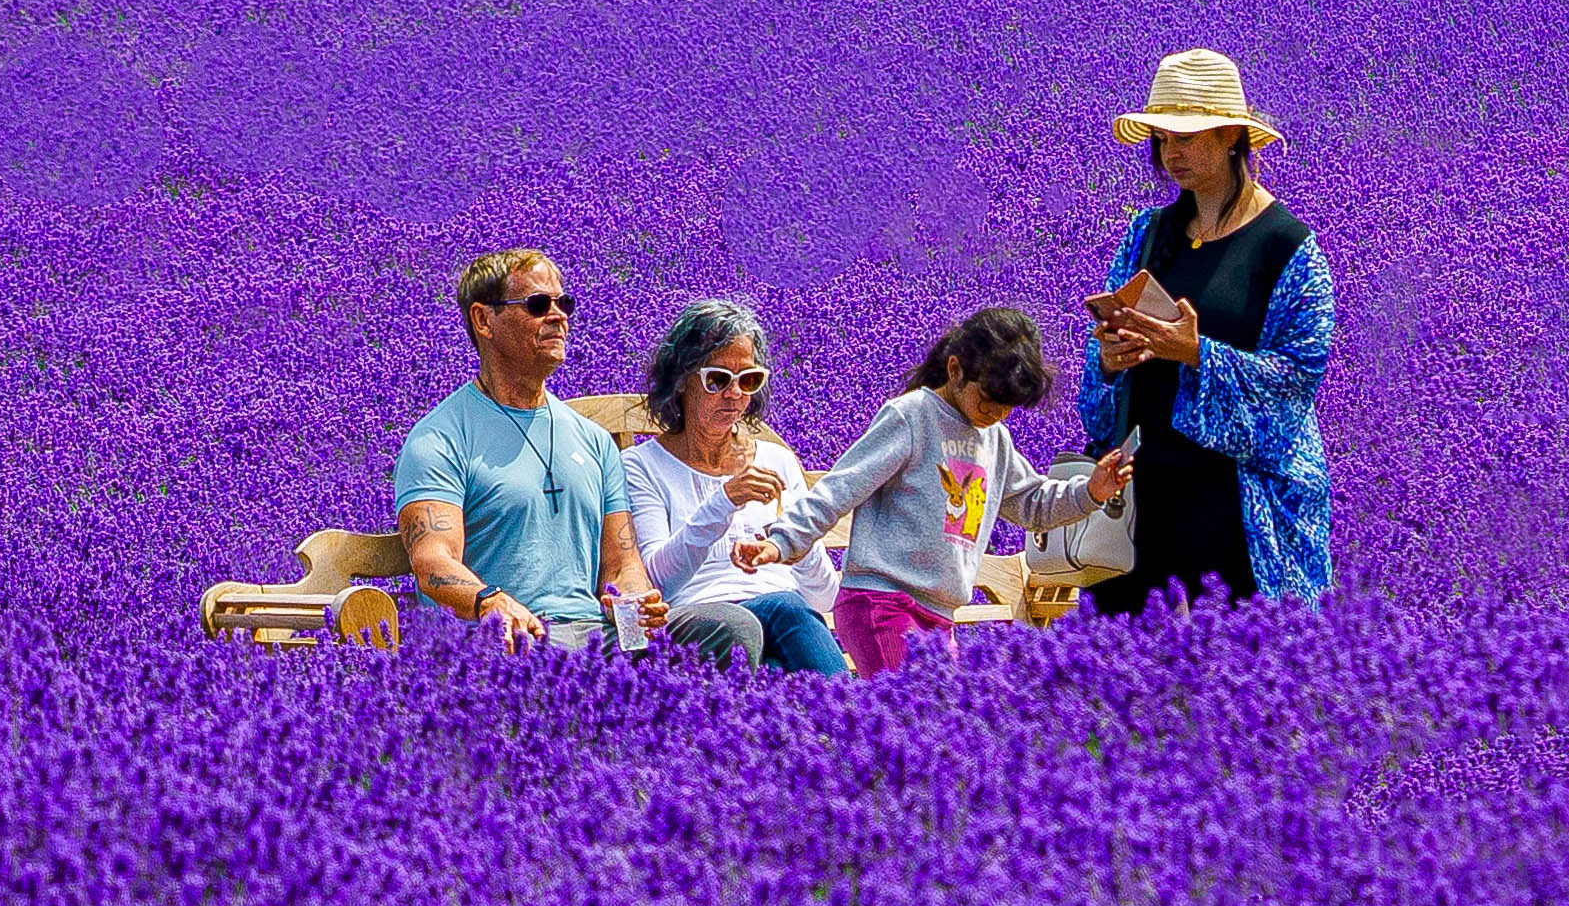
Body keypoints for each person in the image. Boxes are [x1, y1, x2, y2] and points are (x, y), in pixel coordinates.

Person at [393, 247, 760, 661]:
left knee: (730, 628)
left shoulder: (593, 440)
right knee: (537, 656)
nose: (558, 316)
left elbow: (622, 565)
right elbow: (433, 561)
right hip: (509, 636)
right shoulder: (441, 438)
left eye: (562, 302)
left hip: (594, 634)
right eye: (537, 305)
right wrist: (491, 603)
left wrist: (636, 602)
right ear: (483, 320)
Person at [734, 308, 1133, 677]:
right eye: (988, 401)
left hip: (939, 614)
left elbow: (1032, 505)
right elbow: (841, 487)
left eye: (1008, 407)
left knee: (935, 731)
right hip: (882, 602)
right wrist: (782, 541)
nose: (996, 415)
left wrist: (1092, 491)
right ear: (955, 369)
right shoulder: (912, 416)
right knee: (913, 717)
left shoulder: (993, 438)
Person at [1078, 48, 1335, 614]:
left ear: (1231, 138)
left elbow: (1298, 380)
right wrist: (1111, 359)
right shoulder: (1147, 233)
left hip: (1238, 510)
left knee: (1242, 677)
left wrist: (1197, 352)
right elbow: (1099, 366)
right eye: (1164, 139)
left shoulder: (1287, 248)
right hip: (1144, 501)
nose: (1172, 152)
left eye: (1187, 138)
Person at [623, 301, 849, 675]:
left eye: (748, 380)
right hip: (700, 624)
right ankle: (855, 721)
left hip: (786, 626)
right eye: (718, 379)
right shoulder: (641, 467)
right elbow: (656, 583)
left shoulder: (777, 461)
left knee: (777, 668)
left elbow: (823, 598)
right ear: (681, 380)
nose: (734, 395)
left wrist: (794, 545)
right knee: (785, 610)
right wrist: (724, 501)